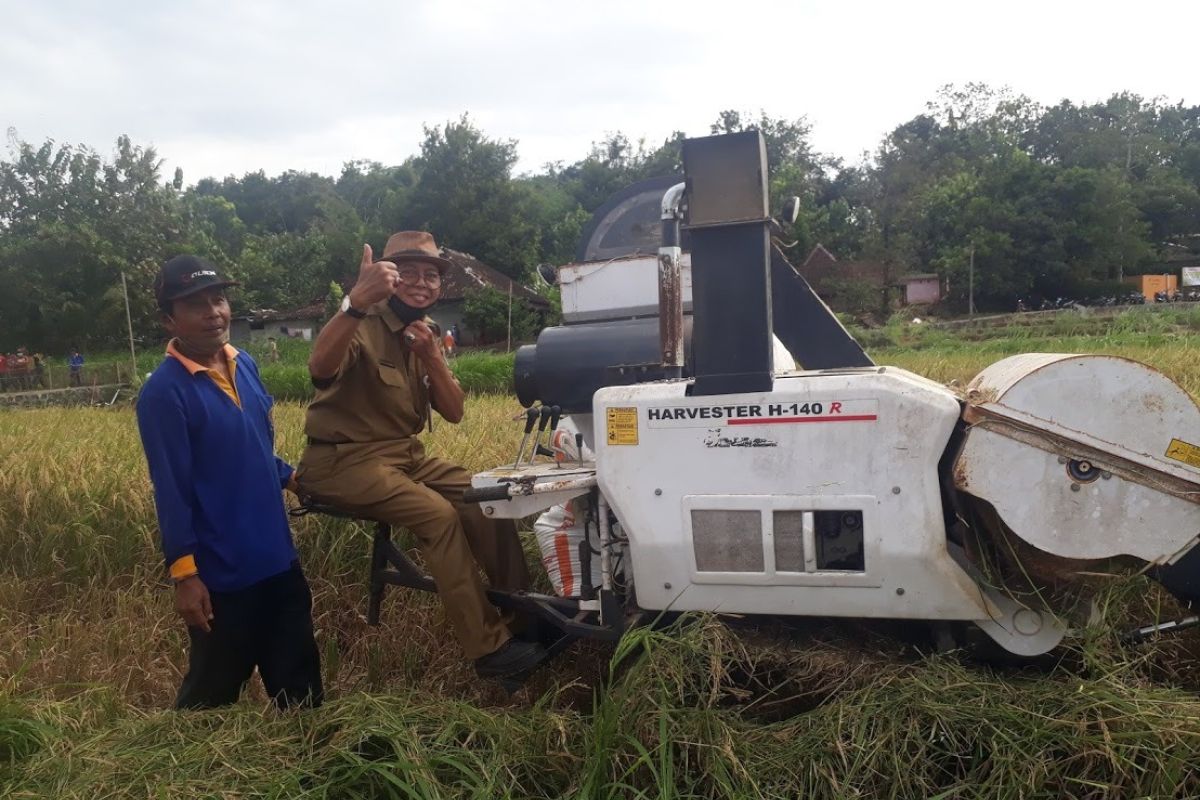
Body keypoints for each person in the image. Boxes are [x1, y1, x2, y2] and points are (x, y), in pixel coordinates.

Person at [295, 231, 548, 683]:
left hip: (403, 456)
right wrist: (353, 303)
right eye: (406, 272)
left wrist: (432, 356)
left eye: (429, 275)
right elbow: (319, 368)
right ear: (385, 277)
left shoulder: (427, 333)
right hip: (341, 462)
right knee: (436, 515)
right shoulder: (361, 322)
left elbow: (453, 412)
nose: (420, 283)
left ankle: (524, 617)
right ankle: (489, 649)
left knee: (486, 496)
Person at [136, 254, 322, 710]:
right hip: (222, 576)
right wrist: (185, 576)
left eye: (218, 299)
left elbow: (254, 446)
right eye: (196, 304)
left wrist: (291, 477)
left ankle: (307, 763)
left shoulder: (246, 365)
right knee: (210, 699)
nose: (213, 312)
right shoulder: (164, 393)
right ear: (168, 320)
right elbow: (172, 488)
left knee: (301, 691)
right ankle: (186, 776)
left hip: (278, 559)